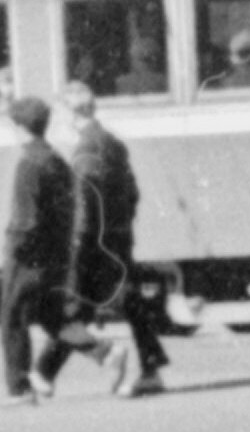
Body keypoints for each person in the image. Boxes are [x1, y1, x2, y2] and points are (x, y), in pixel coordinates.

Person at [60, 82, 169, 392]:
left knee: (63, 310)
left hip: (94, 243)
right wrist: (122, 225)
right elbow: (133, 193)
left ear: (70, 115)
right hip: (119, 237)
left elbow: (84, 203)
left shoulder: (85, 150)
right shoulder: (113, 143)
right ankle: (150, 368)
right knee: (132, 303)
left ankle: (106, 355)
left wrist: (78, 242)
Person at [0, 96, 75, 403]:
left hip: (27, 258)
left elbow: (25, 220)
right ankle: (102, 351)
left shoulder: (28, 164)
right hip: (54, 253)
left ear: (19, 127)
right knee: (52, 317)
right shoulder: (56, 160)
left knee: (13, 318)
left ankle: (19, 389)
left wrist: (14, 250)